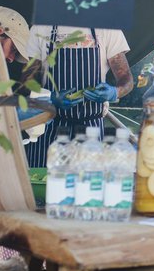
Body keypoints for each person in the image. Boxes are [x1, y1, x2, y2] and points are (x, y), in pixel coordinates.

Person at [23, 23, 133, 168]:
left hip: (91, 131)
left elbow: (126, 79)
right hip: (48, 128)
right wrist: (49, 100)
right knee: (45, 185)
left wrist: (114, 92)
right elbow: (27, 82)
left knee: (88, 187)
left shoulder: (108, 27)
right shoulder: (40, 28)